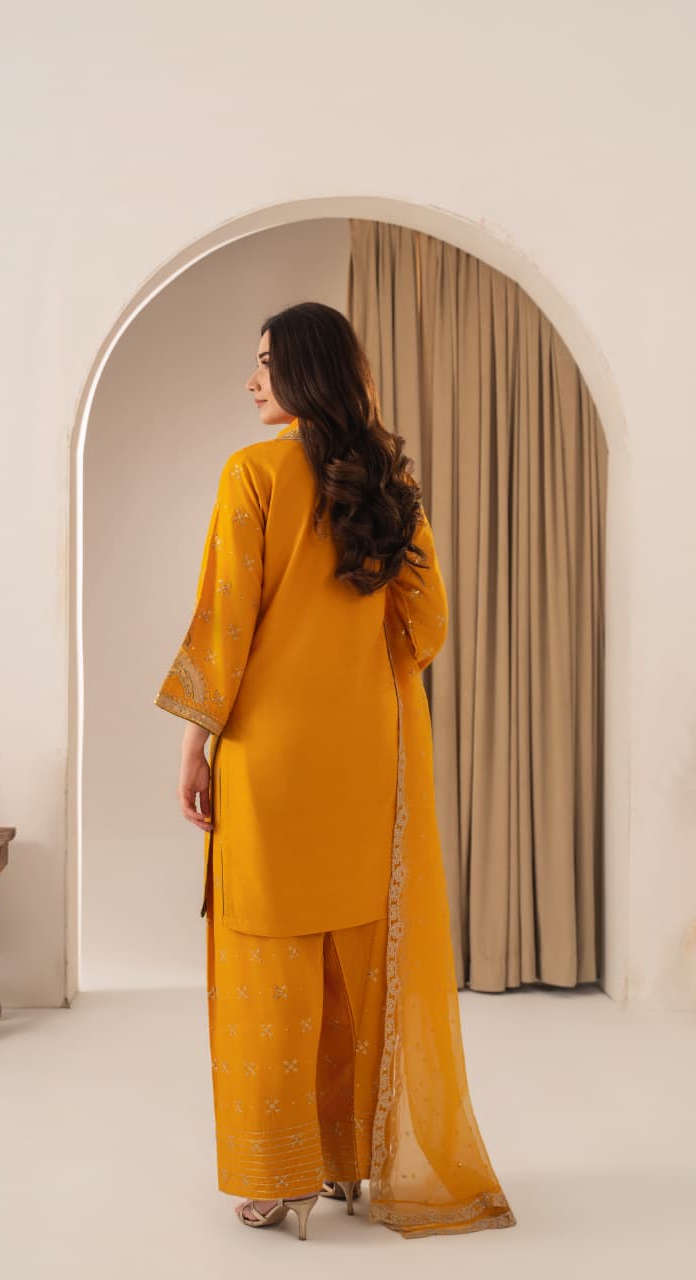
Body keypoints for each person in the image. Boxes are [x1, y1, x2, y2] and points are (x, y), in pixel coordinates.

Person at [154, 301, 516, 1242]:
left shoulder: (252, 473)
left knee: (267, 962)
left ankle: (280, 1178)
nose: (251, 381)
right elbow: (425, 626)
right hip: (366, 759)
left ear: (305, 370)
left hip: (269, 760)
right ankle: (351, 1161)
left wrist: (194, 743)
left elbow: (223, 625)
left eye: (265, 362)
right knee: (355, 964)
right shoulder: (387, 484)